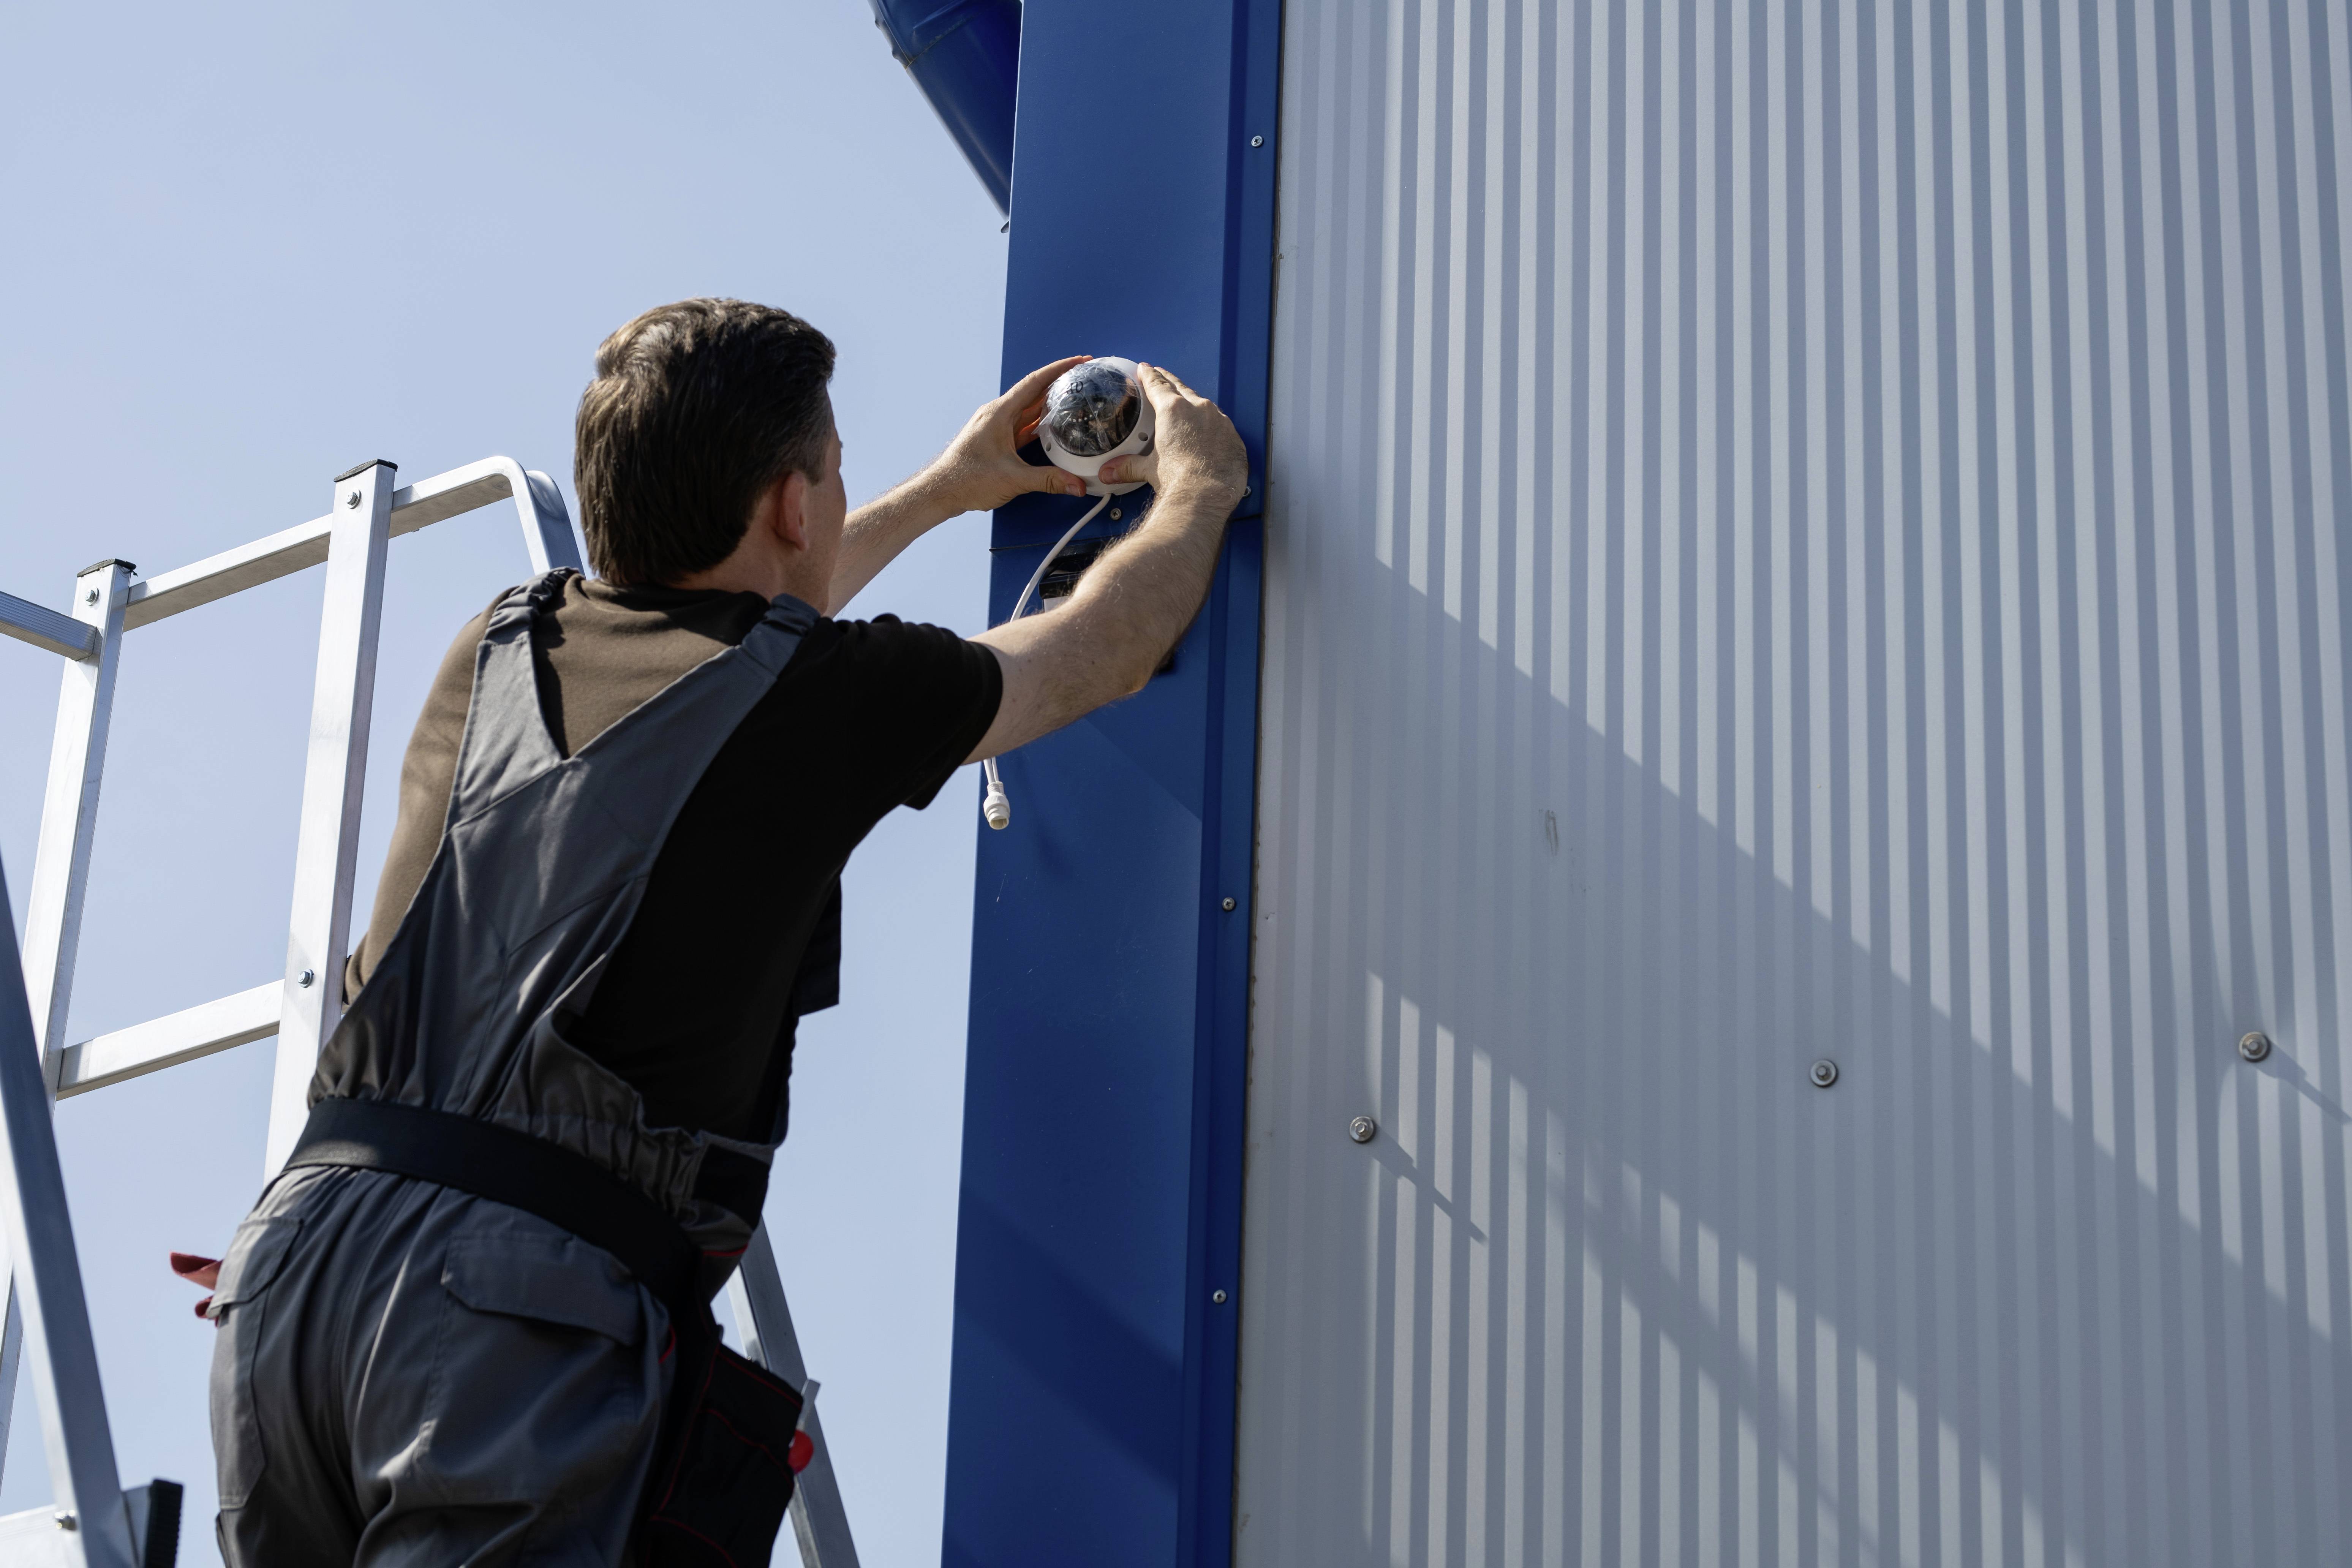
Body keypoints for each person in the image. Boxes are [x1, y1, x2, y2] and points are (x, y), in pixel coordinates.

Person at [201, 298, 1248, 1565]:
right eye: (834, 473)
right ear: (795, 507)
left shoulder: (499, 642)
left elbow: (732, 634)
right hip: (509, 1313)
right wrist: (1197, 494)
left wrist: (945, 491)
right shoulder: (827, 701)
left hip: (293, 1268)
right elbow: (1097, 650)